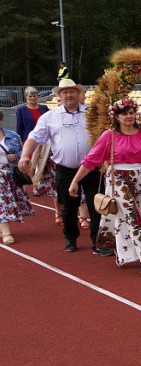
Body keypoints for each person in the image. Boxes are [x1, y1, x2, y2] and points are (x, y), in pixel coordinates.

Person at [69, 99, 141, 277]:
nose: (129, 116)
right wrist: (75, 181)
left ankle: (122, 252)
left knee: (137, 216)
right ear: (117, 117)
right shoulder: (109, 135)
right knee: (132, 216)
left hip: (140, 180)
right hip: (118, 179)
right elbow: (91, 161)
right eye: (124, 113)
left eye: (131, 112)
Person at [19, 79, 110, 255]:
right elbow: (34, 138)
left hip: (92, 169)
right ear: (59, 95)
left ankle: (98, 242)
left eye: (72, 91)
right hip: (65, 169)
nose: (69, 95)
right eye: (65, 92)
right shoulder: (49, 117)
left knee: (96, 205)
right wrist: (24, 156)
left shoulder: (93, 114)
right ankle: (71, 238)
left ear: (79, 93)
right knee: (68, 207)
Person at [16, 87, 69, 225]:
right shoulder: (21, 110)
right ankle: (35, 182)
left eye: (35, 96)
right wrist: (23, 144)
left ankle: (38, 182)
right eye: (30, 96)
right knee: (34, 163)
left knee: (43, 165)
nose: (33, 98)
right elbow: (19, 127)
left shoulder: (45, 108)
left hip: (45, 142)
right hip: (31, 140)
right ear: (26, 97)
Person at [1, 112, 34, 244]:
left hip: (10, 173)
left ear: (1, 121)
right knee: (2, 201)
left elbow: (23, 152)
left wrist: (16, 157)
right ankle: (6, 232)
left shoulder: (13, 136)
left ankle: (2, 227)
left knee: (10, 200)